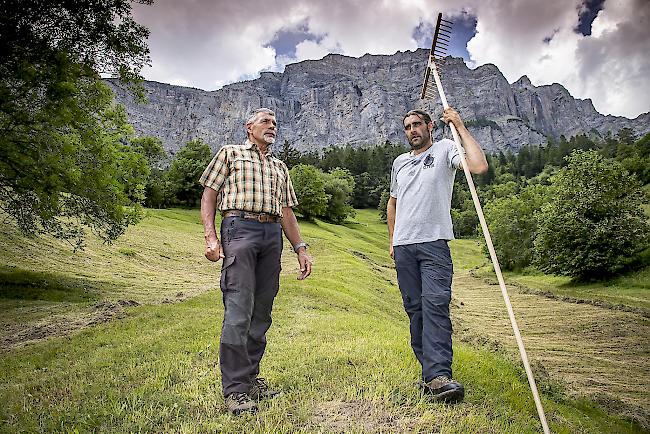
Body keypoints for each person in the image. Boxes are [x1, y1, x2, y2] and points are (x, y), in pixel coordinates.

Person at [199, 107, 312, 415]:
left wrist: (300, 248)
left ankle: (250, 380)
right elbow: (209, 195)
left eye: (275, 122)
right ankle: (235, 390)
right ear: (249, 127)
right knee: (238, 309)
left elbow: (287, 212)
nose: (271, 126)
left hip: (272, 234)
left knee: (261, 312)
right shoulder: (230, 153)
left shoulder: (279, 166)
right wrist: (211, 237)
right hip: (239, 228)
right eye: (265, 121)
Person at [387, 107, 488, 403]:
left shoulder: (445, 148)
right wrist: (392, 241)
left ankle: (439, 375)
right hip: (404, 248)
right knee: (415, 310)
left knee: (435, 306)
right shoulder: (399, 162)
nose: (412, 130)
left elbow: (478, 166)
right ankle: (429, 375)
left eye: (417, 124)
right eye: (407, 126)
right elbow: (392, 204)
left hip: (434, 245)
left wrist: (458, 124)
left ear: (430, 126)